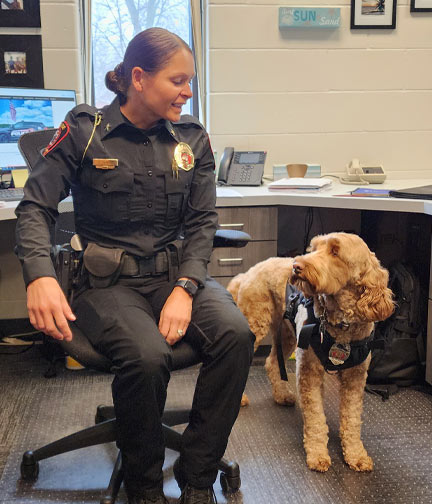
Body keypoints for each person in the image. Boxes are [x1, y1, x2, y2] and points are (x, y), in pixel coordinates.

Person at [14, 27, 255, 504]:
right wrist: (40, 275)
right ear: (139, 78)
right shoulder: (84, 133)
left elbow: (204, 222)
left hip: (176, 276)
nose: (188, 92)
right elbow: (34, 207)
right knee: (148, 358)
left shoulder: (192, 139)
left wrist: (186, 288)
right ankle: (144, 487)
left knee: (236, 334)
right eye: (179, 80)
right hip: (107, 284)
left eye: (191, 81)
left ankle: (197, 475)